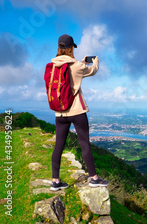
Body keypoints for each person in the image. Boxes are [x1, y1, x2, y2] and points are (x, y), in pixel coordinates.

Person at [49, 34, 109, 191]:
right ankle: (94, 178)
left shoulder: (52, 66)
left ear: (59, 47)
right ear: (71, 48)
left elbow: (70, 71)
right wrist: (95, 63)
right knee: (84, 144)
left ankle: (55, 181)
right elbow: (91, 71)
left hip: (59, 113)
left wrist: (80, 62)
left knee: (58, 145)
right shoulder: (77, 66)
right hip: (76, 111)